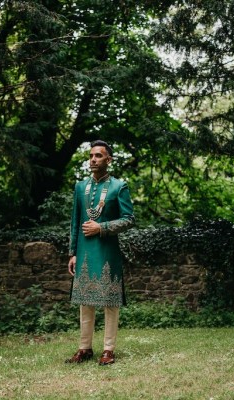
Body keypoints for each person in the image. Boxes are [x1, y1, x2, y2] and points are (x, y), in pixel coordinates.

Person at [66, 140, 135, 366]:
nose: (93, 160)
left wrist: (102, 227)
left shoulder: (119, 186)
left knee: (110, 301)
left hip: (107, 250)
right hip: (84, 251)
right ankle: (85, 348)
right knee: (85, 301)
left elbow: (129, 220)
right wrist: (72, 252)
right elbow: (76, 222)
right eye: (91, 156)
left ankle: (108, 349)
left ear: (109, 160)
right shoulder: (79, 187)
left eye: (98, 156)